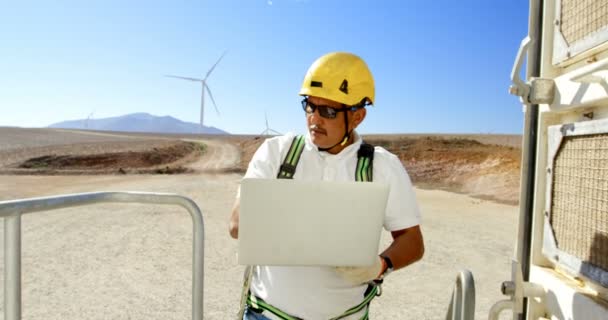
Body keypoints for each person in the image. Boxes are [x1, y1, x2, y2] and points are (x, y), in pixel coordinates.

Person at [229, 52, 424, 320]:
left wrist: (380, 265)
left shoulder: (382, 167)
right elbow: (236, 226)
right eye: (309, 106)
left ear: (358, 117)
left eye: (328, 111)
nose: (314, 119)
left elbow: (412, 241)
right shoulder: (276, 153)